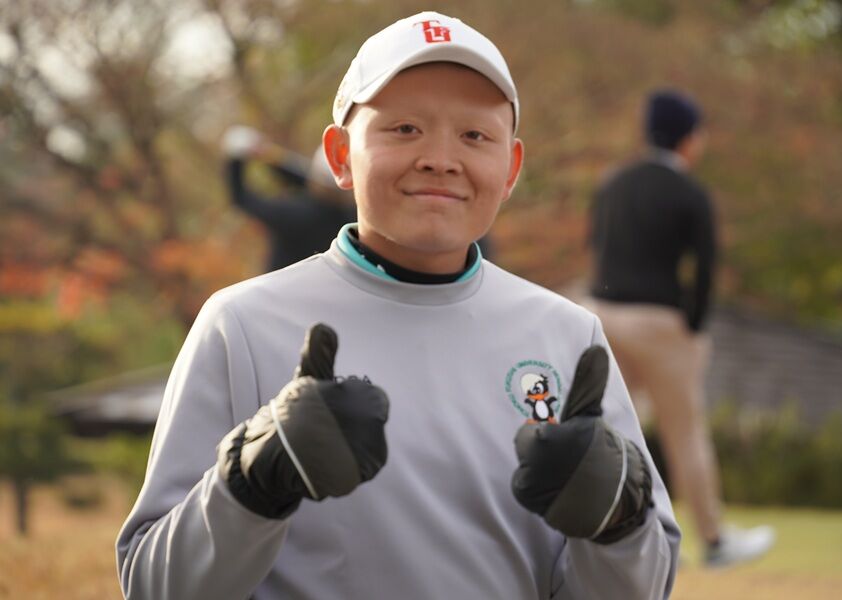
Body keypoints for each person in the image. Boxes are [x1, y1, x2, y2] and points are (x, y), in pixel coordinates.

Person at [117, 12, 680, 599]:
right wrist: (251, 485)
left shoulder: (568, 337)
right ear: (340, 155)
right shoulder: (242, 326)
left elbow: (641, 588)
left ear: (511, 168)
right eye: (405, 128)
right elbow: (156, 588)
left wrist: (617, 526)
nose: (440, 158)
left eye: (474, 136)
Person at [582, 89, 775, 568]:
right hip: (661, 323)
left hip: (603, 315)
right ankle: (714, 540)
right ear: (688, 138)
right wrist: (694, 324)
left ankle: (618, 536)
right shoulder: (690, 192)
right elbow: (705, 268)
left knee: (610, 429)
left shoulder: (613, 183)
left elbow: (595, 246)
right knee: (685, 434)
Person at [223, 127, 357, 272]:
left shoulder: (296, 214)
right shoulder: (352, 215)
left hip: (282, 284)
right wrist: (270, 156)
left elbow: (241, 198)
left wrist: (235, 161)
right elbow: (306, 181)